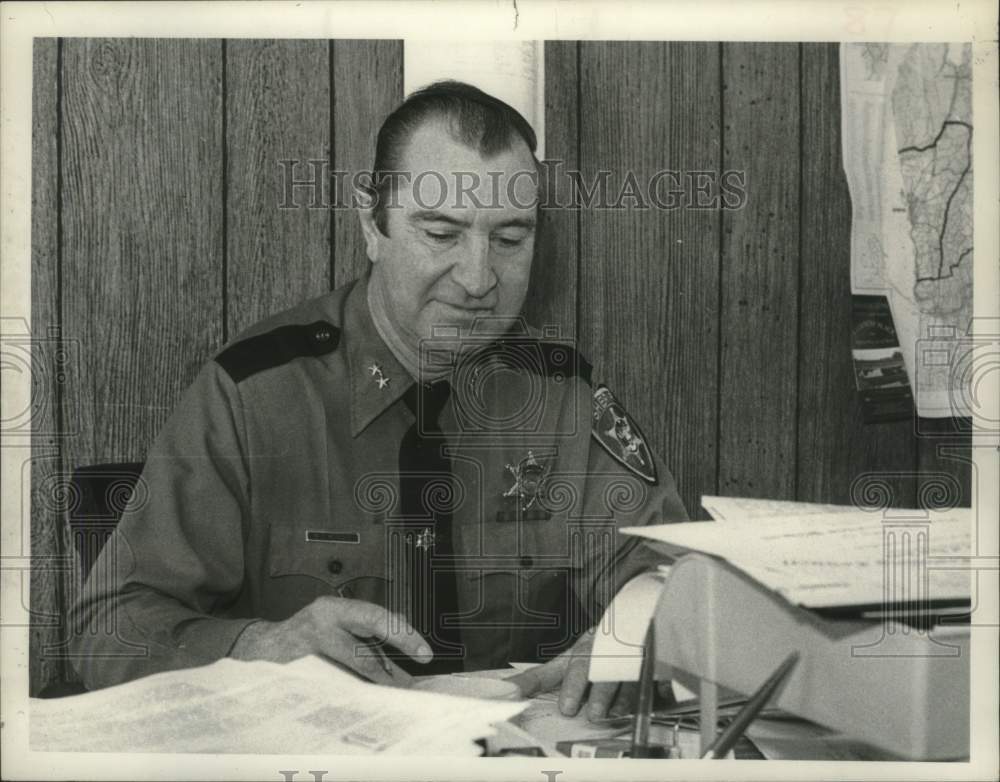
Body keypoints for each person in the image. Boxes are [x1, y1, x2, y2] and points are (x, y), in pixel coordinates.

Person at [70, 80, 688, 722]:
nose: (479, 280)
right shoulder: (255, 392)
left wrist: (633, 633)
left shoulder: (560, 395)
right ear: (372, 222)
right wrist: (261, 648)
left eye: (509, 240)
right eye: (442, 233)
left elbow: (668, 573)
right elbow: (108, 624)